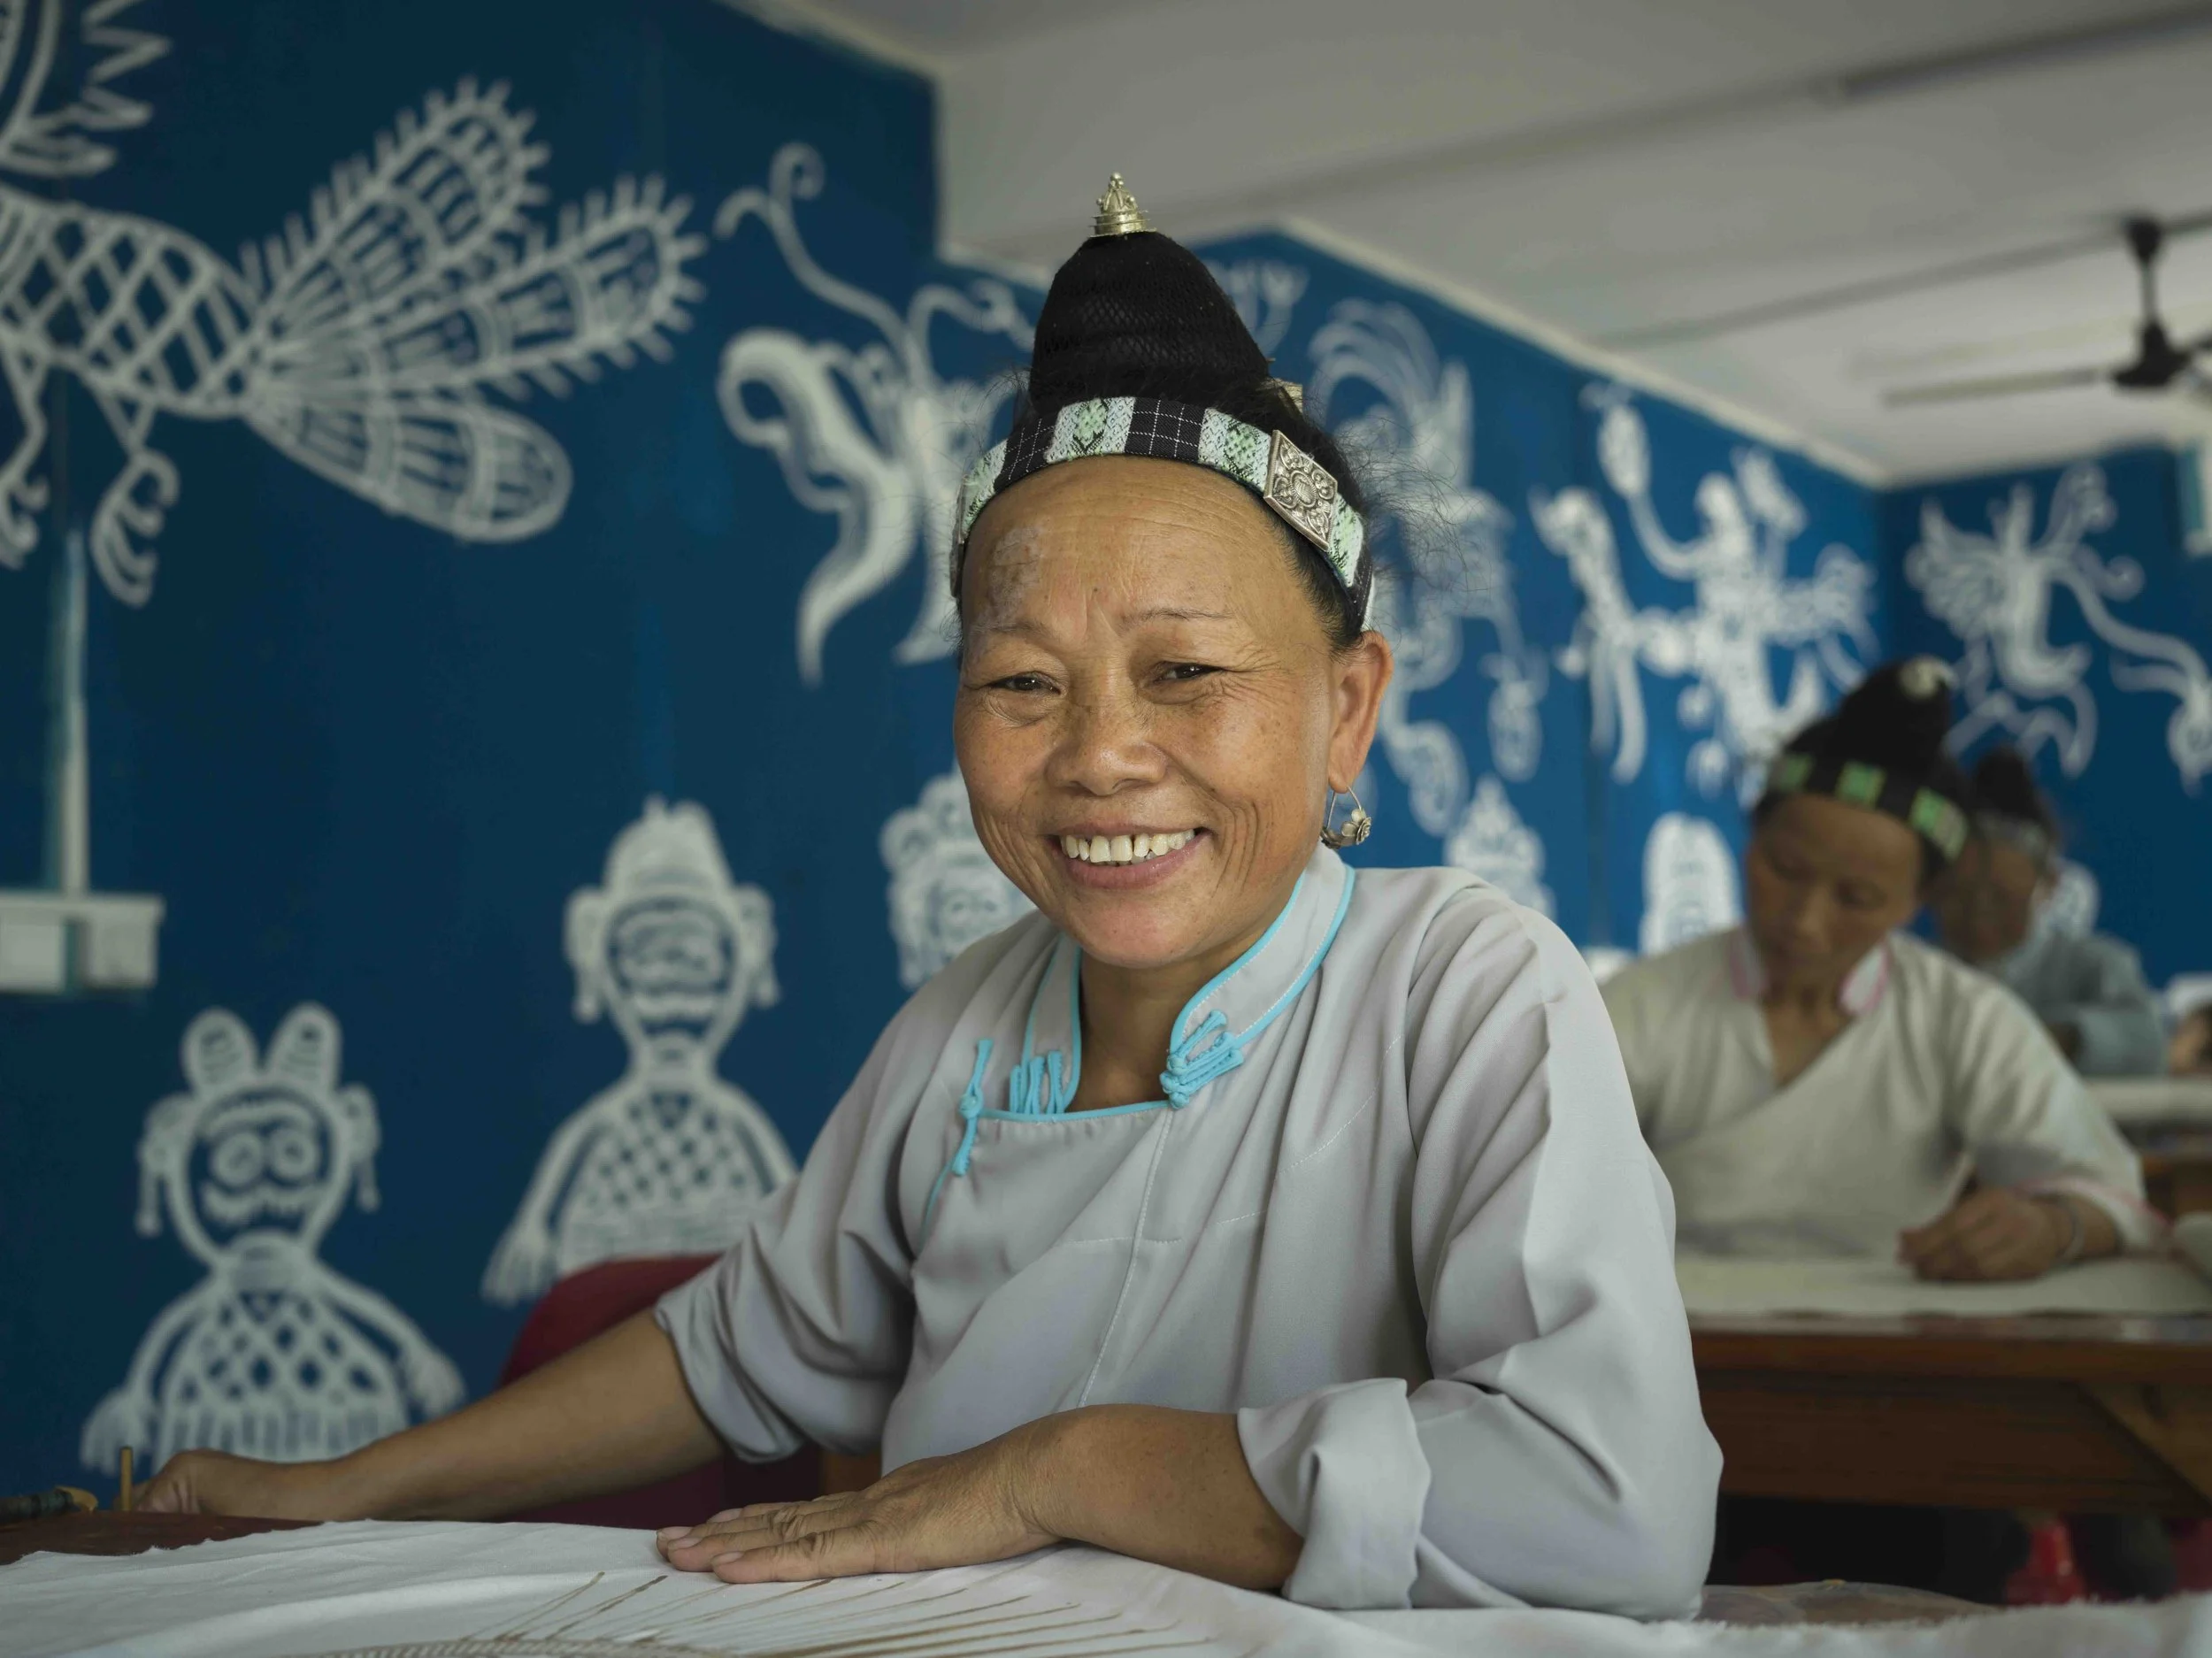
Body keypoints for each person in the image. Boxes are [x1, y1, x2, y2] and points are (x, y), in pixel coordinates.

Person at [134, 179, 1719, 1616]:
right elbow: (735, 1348)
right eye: (1023, 679)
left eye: (1186, 671)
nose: (1101, 755)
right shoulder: (967, 1022)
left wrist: (1055, 1468)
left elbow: (1609, 1500)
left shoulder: (1468, 989)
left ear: (1348, 704)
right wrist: (339, 1487)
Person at [1603, 660, 2161, 1278]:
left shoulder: (1959, 1017)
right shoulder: (1643, 1003)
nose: (1806, 920)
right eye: (1784, 870)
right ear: (1751, 844)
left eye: (1857, 898)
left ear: (1915, 903)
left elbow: (2111, 1190)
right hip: (1679, 1336)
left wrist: (2056, 1225)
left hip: (1895, 1345)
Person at [1933, 747, 2167, 1078]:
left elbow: (2148, 1045)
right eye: (1958, 895)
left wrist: (2059, 1038)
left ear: (2049, 885)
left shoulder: (2093, 965)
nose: (1978, 912)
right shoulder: (1917, 972)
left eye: (2001, 897)